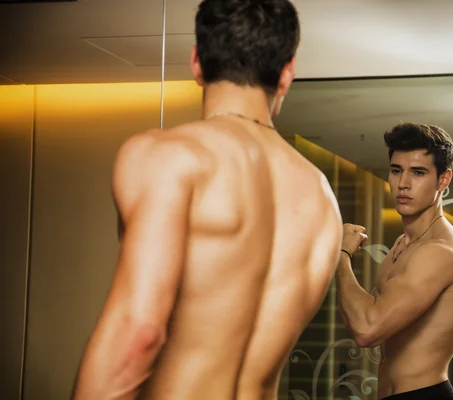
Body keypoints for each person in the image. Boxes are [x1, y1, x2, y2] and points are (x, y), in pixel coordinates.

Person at [70, 1, 343, 399]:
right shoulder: (321, 197)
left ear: (197, 62)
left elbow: (139, 332)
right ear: (287, 73)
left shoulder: (172, 157)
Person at [336, 122, 453, 400]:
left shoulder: (442, 251)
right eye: (396, 170)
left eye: (418, 172)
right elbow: (364, 318)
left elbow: (367, 330)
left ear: (443, 179)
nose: (403, 183)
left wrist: (340, 257)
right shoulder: (402, 245)